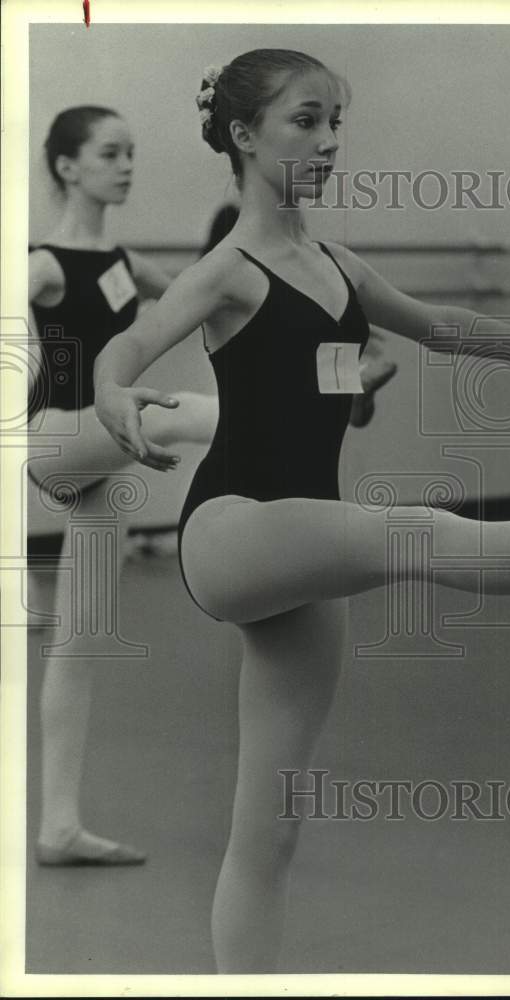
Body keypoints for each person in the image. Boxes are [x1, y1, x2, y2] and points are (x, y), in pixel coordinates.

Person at [93, 53, 510, 970]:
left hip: (305, 551)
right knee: (418, 533)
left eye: (336, 124)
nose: (328, 142)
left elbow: (444, 326)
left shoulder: (335, 263)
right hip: (233, 530)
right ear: (244, 135)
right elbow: (130, 341)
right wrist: (114, 391)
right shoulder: (227, 269)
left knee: (267, 836)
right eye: (305, 121)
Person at [28, 106, 219, 865]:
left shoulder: (128, 263)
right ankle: (304, 411)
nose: (128, 165)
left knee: (80, 643)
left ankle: (60, 827)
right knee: (169, 416)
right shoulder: (42, 263)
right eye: (111, 153)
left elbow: (210, 309)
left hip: (102, 457)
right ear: (69, 167)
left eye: (133, 152)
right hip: (56, 439)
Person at [201, 199, 398, 427]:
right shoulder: (223, 284)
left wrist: (343, 328)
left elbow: (356, 418)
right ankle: (351, 385)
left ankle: (352, 387)